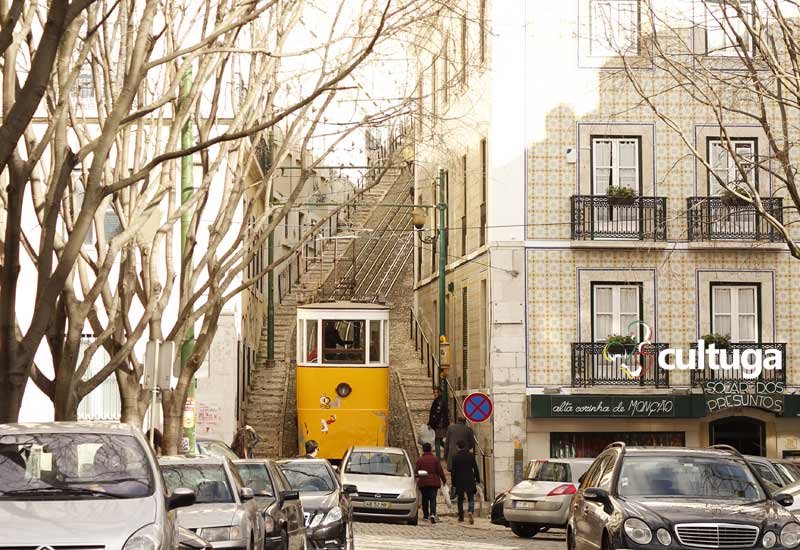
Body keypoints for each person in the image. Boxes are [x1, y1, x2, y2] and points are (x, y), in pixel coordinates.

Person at [415, 442, 446, 524]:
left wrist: (417, 477)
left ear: (423, 450)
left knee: (424, 499)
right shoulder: (435, 459)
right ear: (431, 449)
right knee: (433, 499)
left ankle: (425, 515)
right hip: (434, 482)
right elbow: (440, 471)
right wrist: (444, 480)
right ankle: (432, 514)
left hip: (423, 482)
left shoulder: (420, 460)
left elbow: (416, 471)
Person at [451, 440, 480, 524]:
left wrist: (453, 483)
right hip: (470, 479)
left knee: (460, 499)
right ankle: (470, 511)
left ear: (457, 446)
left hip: (459, 480)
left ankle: (461, 517)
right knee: (471, 498)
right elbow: (475, 468)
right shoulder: (470, 455)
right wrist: (477, 479)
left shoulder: (455, 457)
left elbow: (453, 472)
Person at [427, 387, 449, 459]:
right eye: (434, 392)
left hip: (439, 425)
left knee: (437, 441)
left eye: (436, 392)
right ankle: (448, 454)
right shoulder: (439, 400)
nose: (435, 394)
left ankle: (438, 458)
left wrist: (431, 423)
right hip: (441, 424)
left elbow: (436, 414)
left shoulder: (439, 401)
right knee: (440, 441)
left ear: (439, 393)